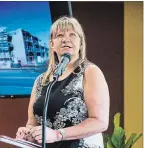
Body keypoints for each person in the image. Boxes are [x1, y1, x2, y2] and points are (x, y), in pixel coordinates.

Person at [16, 16, 110, 148]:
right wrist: (28, 135)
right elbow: (32, 123)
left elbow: (99, 122)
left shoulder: (90, 72)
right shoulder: (40, 81)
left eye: (72, 34)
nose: (66, 39)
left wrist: (57, 134)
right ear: (52, 45)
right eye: (60, 35)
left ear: (80, 43)